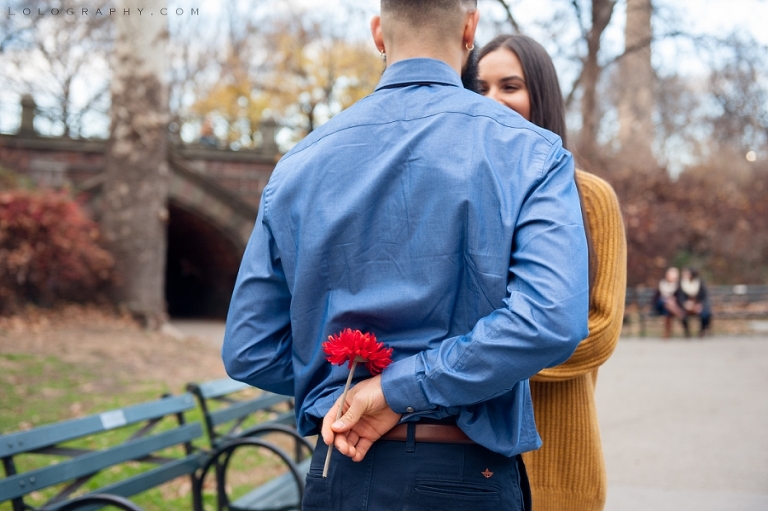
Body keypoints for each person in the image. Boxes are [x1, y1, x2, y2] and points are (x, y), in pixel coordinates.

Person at [222, 2, 589, 510]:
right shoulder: (531, 153)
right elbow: (550, 319)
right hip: (465, 478)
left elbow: (250, 349)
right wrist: (397, 390)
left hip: (338, 475)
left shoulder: (297, 166)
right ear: (469, 29)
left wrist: (359, 389)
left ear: (378, 33)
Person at [478, 34, 627, 511]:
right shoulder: (462, 196)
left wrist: (477, 364)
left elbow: (600, 332)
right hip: (467, 458)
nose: (493, 100)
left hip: (560, 458)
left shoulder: (590, 198)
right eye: (478, 87)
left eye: (510, 85)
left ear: (539, 94)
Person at [677, 267, 712, 337]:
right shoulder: (682, 284)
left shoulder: (700, 283)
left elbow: (705, 297)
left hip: (699, 305)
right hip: (687, 306)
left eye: (686, 274)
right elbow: (680, 297)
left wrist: (700, 305)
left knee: (705, 314)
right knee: (682, 314)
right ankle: (687, 332)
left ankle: (702, 330)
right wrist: (685, 304)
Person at [655, 266, 685, 338]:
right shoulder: (662, 284)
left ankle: (667, 333)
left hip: (668, 309)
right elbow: (656, 298)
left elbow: (679, 298)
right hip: (660, 304)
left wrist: (673, 300)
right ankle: (679, 313)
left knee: (667, 312)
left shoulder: (677, 286)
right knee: (666, 302)